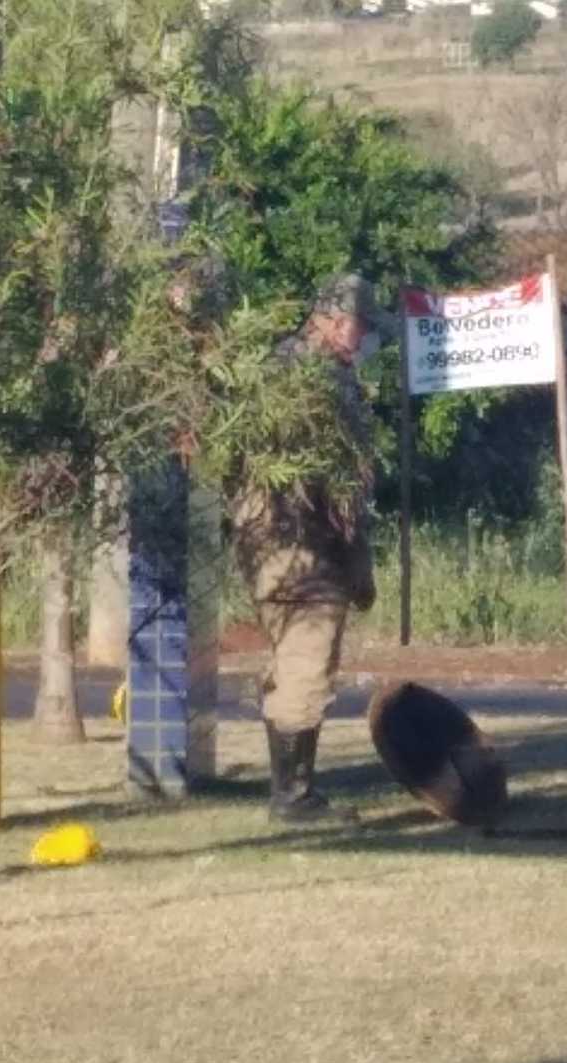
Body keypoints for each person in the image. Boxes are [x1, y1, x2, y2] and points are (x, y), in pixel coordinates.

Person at [233, 274, 393, 820]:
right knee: (306, 662)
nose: (361, 338)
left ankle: (293, 789)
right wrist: (353, 557)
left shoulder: (277, 366)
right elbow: (337, 481)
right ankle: (293, 798)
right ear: (328, 319)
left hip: (270, 541)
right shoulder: (315, 378)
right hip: (301, 544)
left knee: (290, 660)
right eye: (358, 325)